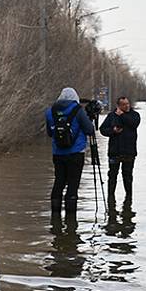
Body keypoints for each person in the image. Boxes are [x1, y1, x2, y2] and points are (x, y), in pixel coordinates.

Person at [45, 87, 95, 218]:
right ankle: (71, 218)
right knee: (73, 184)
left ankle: (55, 215)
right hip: (76, 153)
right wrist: (91, 118)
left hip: (58, 154)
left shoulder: (50, 111)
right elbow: (90, 130)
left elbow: (50, 133)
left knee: (59, 182)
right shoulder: (78, 111)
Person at [98, 95, 140, 204]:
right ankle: (110, 199)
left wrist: (122, 116)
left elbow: (133, 124)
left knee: (128, 176)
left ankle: (128, 199)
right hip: (114, 152)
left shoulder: (134, 115)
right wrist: (113, 131)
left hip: (129, 152)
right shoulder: (112, 116)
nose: (127, 106)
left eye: (127, 104)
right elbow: (102, 129)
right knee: (112, 176)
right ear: (118, 105)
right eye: (124, 104)